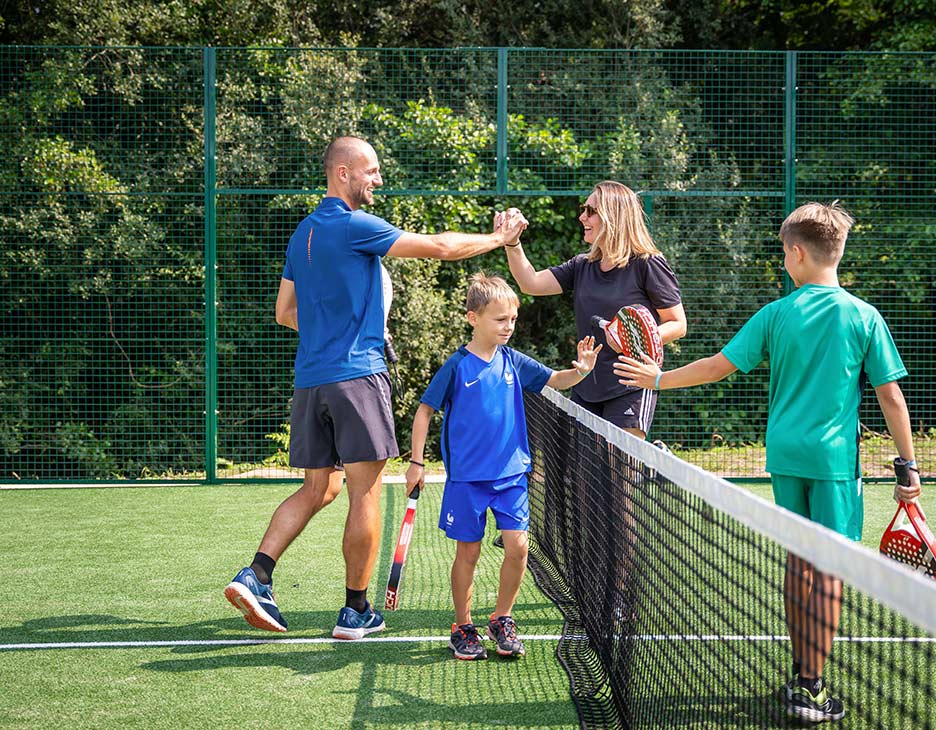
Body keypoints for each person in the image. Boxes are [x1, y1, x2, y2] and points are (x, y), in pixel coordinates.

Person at [613, 201, 923, 724]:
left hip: (782, 455)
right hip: (832, 462)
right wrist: (907, 465)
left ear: (798, 254)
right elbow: (890, 397)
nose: (783, 260)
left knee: (798, 563)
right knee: (830, 572)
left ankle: (803, 675)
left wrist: (658, 379)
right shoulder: (864, 315)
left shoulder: (776, 314)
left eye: (784, 252)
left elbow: (716, 367)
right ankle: (812, 687)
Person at [223, 136, 528, 640]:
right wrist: (499, 239)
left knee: (320, 486)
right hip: (357, 378)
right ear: (342, 173)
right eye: (371, 171)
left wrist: (331, 332)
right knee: (364, 491)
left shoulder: (302, 234)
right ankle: (355, 611)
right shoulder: (353, 226)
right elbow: (439, 248)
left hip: (311, 382)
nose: (378, 180)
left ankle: (256, 574)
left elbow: (284, 314)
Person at [405, 273, 600, 660]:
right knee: (469, 554)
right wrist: (415, 462)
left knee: (519, 548)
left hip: (512, 476)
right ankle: (462, 625)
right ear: (472, 317)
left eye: (512, 319)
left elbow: (556, 380)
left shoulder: (515, 361)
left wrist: (581, 370)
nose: (508, 326)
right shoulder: (457, 366)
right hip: (467, 480)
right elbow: (424, 410)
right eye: (499, 319)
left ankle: (502, 618)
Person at [504, 180, 686, 439]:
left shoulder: (647, 263)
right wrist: (512, 244)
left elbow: (678, 324)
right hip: (587, 383)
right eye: (583, 209)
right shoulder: (582, 265)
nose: (582, 217)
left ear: (613, 216)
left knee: (619, 470)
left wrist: (631, 336)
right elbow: (530, 283)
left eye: (591, 211)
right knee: (584, 476)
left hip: (631, 383)